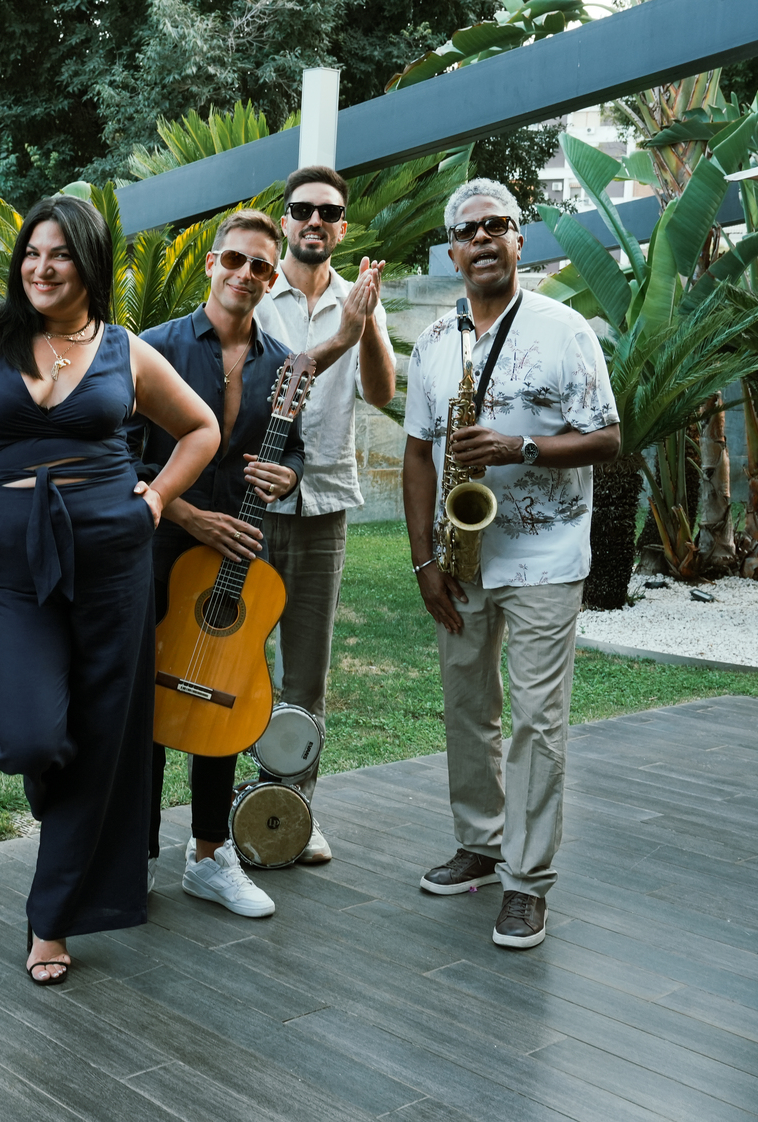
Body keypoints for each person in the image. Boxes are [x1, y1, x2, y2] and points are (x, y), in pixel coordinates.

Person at [0, 196, 219, 985]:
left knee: (101, 735)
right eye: (32, 252)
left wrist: (157, 498)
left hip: (113, 557)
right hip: (8, 560)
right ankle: (60, 809)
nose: (41, 266)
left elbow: (201, 428)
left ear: (89, 263)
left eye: (60, 253)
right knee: (35, 736)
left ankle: (51, 919)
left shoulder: (125, 350)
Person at [402, 180, 620, 949]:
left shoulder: (565, 331)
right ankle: (480, 842)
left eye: (496, 225)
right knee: (466, 705)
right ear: (451, 251)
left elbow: (607, 439)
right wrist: (424, 558)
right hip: (462, 557)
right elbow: (417, 455)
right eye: (467, 230)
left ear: (519, 240)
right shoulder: (433, 343)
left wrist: (516, 446)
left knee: (535, 718)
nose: (482, 239)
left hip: (545, 555)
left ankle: (526, 881)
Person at [133, 209, 305, 919]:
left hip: (237, 551)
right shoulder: (154, 348)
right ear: (211, 263)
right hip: (156, 546)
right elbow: (119, 455)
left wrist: (288, 477)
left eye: (261, 265)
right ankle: (136, 853)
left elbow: (295, 451)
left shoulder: (282, 364)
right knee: (146, 698)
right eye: (234, 259)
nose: (245, 274)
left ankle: (209, 854)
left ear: (272, 276)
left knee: (223, 692)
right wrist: (183, 511)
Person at [252, 166, 393, 865]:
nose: (315, 220)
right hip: (251, 504)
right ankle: (229, 810)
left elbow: (380, 390)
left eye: (329, 212)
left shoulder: (355, 298)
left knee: (306, 674)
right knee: (236, 662)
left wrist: (363, 325)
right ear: (285, 220)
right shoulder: (253, 288)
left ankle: (290, 809)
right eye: (303, 209)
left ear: (342, 227)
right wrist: (342, 332)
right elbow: (275, 379)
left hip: (325, 503)